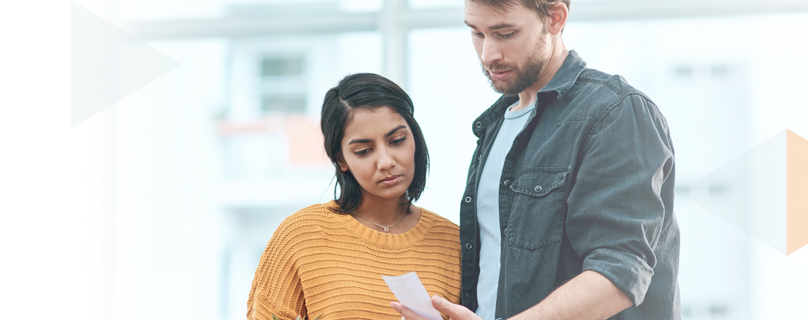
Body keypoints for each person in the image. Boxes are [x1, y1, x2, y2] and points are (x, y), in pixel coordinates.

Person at [388, 0, 679, 319]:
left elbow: (620, 272)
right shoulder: (495, 126)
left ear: (555, 18)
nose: (488, 55)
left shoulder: (615, 112)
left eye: (506, 33)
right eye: (477, 34)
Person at [247, 73, 461, 320]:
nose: (386, 162)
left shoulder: (454, 243)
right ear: (341, 159)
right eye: (364, 151)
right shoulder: (300, 237)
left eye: (397, 140)